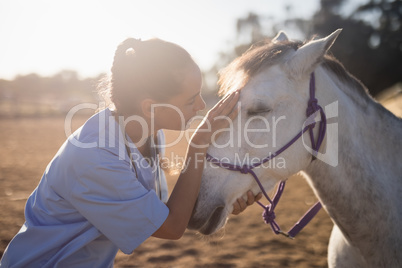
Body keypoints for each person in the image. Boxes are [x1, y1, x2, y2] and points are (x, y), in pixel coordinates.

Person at [0, 38, 261, 267]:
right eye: (191, 100)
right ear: (149, 106)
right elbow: (171, 228)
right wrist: (198, 144)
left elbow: (167, 213)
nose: (202, 106)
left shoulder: (148, 133)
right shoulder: (96, 158)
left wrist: (220, 203)